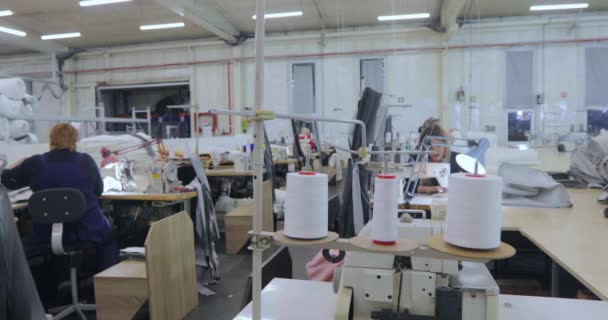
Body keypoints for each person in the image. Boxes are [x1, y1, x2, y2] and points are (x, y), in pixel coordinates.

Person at [1, 123, 117, 271]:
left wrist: (18, 164)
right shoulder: (86, 161)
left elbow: (7, 180)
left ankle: (54, 285)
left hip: (46, 234)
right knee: (110, 238)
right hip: (87, 231)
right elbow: (98, 190)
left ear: (51, 139)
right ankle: (105, 285)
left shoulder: (36, 162)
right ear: (75, 140)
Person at [415, 118, 464, 194]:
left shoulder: (457, 160)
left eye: (438, 145)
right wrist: (429, 189)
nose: (434, 151)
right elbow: (407, 186)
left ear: (445, 144)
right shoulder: (417, 159)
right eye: (430, 147)